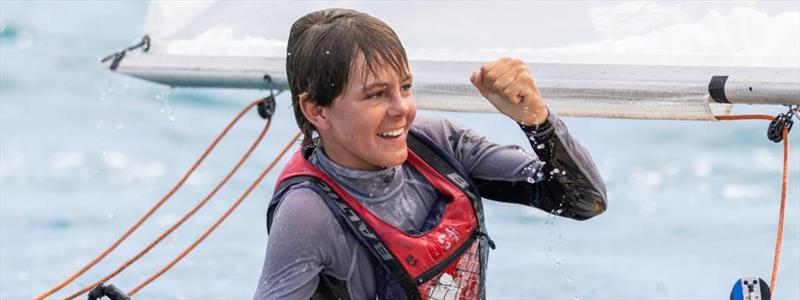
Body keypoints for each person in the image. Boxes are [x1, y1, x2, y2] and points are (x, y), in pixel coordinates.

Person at [254, 8, 606, 300]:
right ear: (317, 110)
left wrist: (536, 121)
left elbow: (581, 200)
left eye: (405, 88)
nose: (401, 110)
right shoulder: (307, 213)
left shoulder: (439, 145)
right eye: (376, 95)